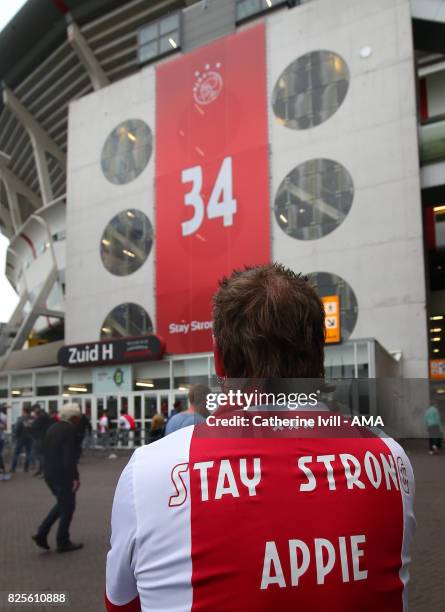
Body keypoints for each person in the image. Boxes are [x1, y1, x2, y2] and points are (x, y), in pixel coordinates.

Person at [105, 264, 415, 611]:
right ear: (318, 357)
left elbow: (121, 602)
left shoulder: (150, 469)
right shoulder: (390, 457)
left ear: (220, 363)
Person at [32, 403, 83, 553]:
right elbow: (69, 457)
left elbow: (44, 450)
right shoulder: (70, 430)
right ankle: (62, 540)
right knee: (67, 507)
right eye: (78, 418)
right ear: (74, 418)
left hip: (50, 473)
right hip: (62, 475)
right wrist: (75, 477)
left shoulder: (52, 428)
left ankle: (42, 533)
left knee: (63, 503)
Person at [11, 406, 34, 473]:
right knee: (28, 453)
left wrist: (15, 435)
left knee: (16, 453)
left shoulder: (21, 419)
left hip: (21, 438)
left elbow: (16, 429)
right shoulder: (32, 419)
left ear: (24, 411)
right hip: (30, 438)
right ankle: (26, 468)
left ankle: (13, 468)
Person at [30, 404, 50, 476]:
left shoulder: (41, 416)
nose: (33, 412)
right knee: (40, 454)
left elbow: (35, 426)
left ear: (37, 409)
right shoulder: (45, 415)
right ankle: (41, 470)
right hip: (43, 437)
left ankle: (44, 471)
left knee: (39, 454)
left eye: (34, 410)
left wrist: (30, 424)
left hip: (41, 437)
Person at [0, 404, 11, 481]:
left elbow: (4, 427)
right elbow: (5, 427)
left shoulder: (3, 416)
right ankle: (3, 471)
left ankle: (2, 472)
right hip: (2, 438)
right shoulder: (4, 416)